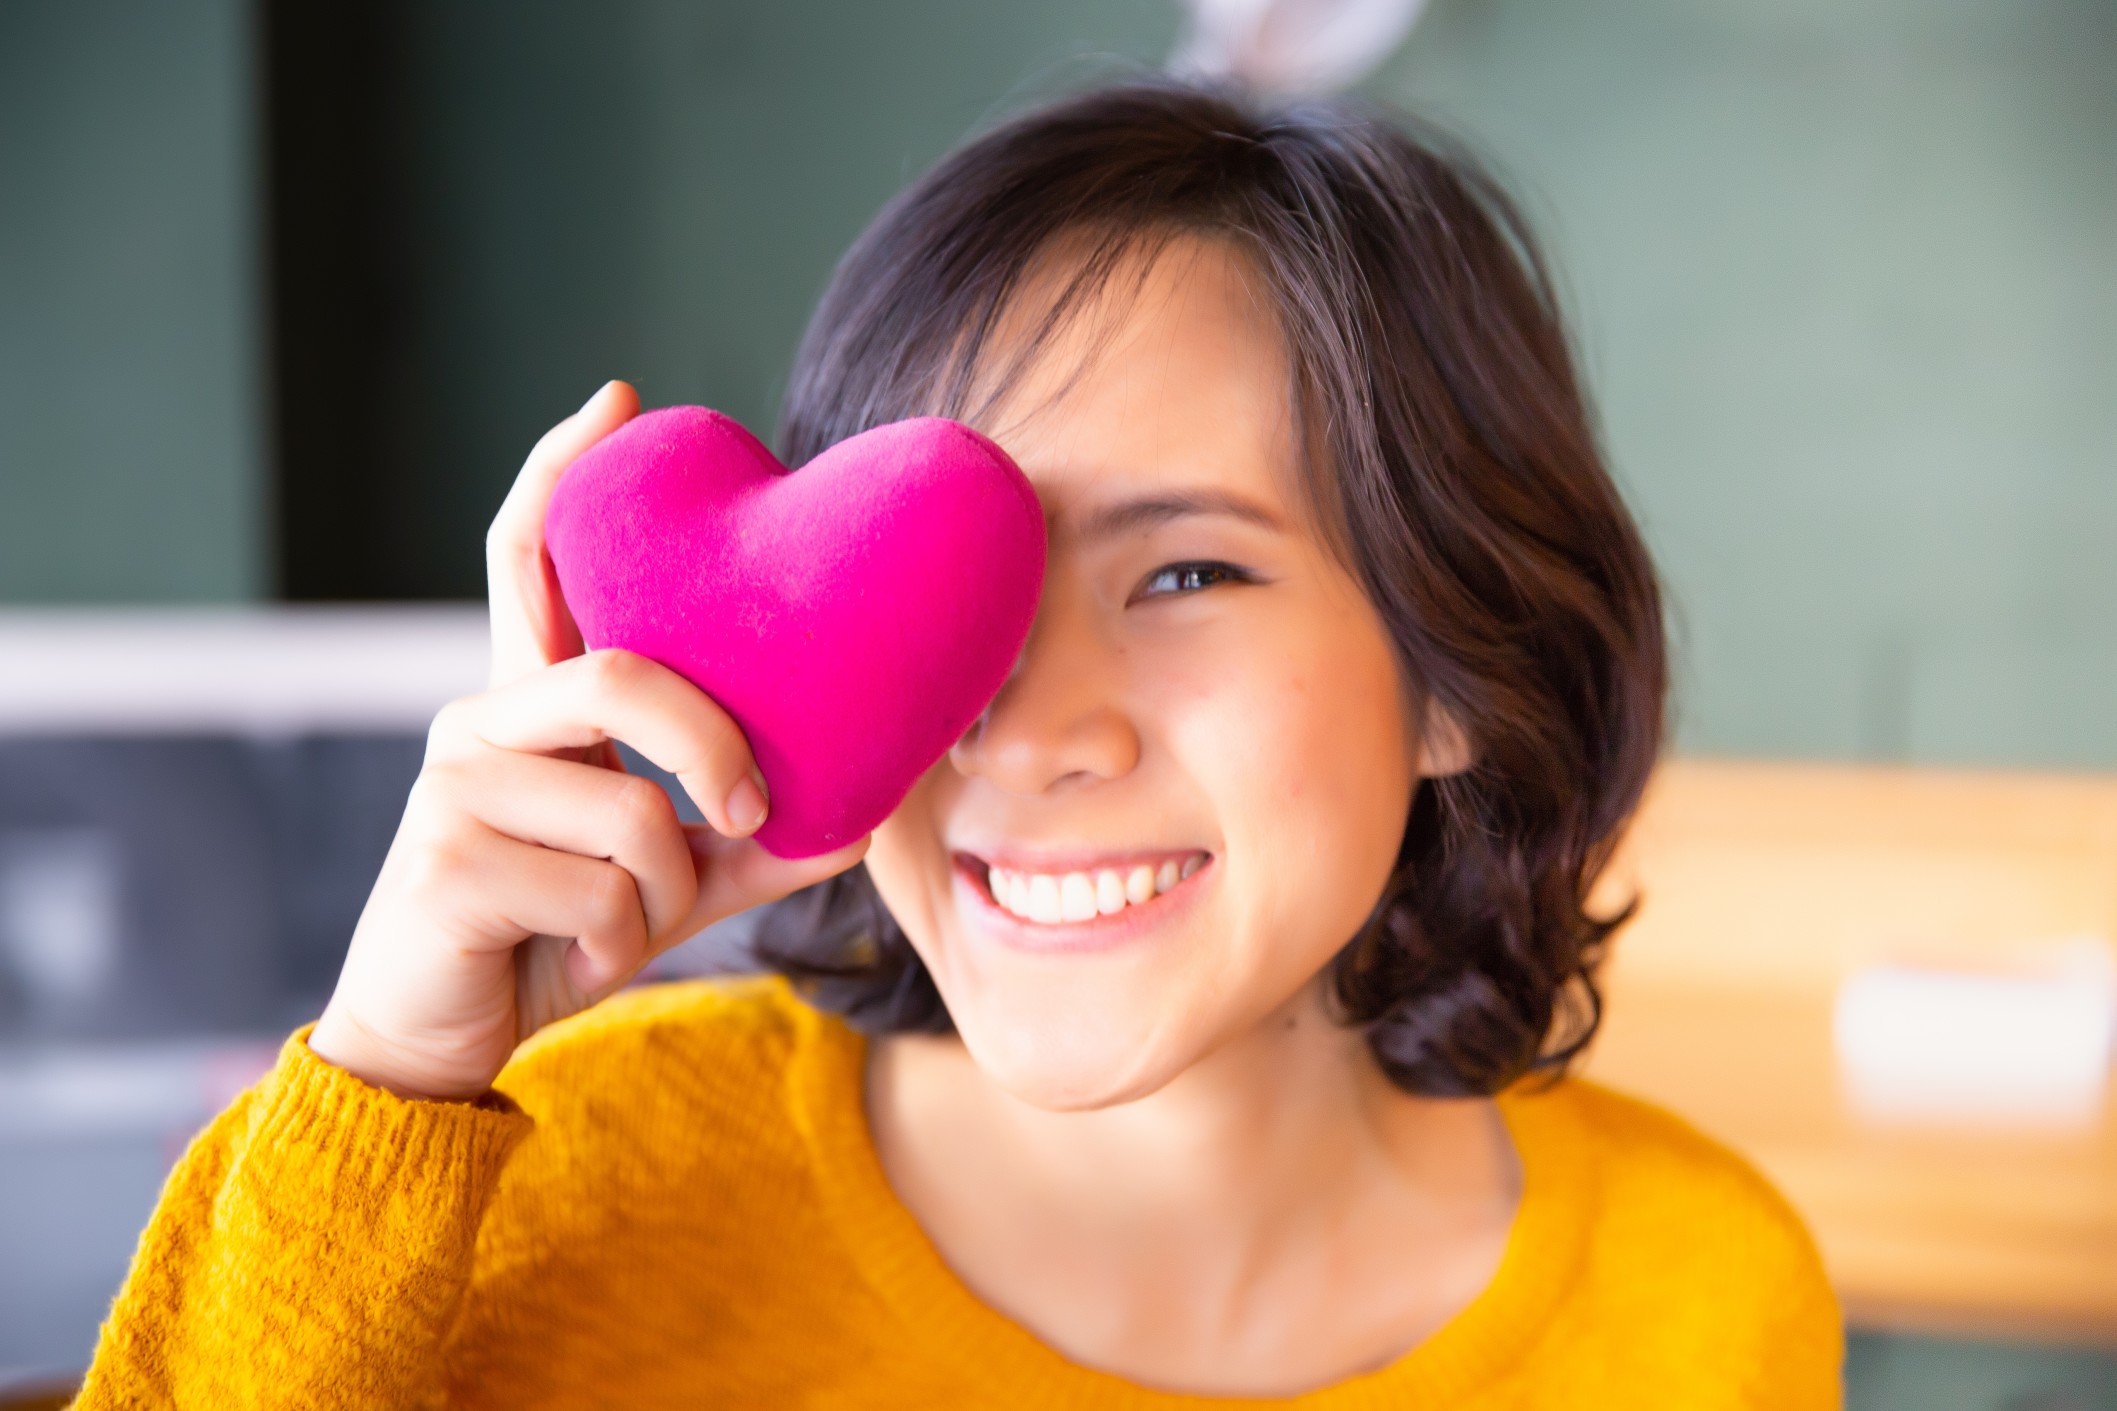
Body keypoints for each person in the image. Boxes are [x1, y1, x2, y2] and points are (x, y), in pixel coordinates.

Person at [70, 80, 1840, 1408]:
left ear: (1458, 667)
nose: (1024, 727)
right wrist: (388, 1081)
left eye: (1190, 568)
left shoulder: (1702, 1301)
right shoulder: (550, 1194)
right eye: (947, 593)